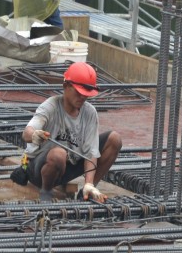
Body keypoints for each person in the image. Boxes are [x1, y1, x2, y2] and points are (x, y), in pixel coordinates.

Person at [20, 62, 122, 202]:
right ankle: (46, 191)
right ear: (66, 86)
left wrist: (89, 183)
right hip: (38, 169)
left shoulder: (89, 112)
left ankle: (87, 191)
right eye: (79, 93)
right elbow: (27, 132)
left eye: (86, 94)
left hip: (68, 164)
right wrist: (34, 135)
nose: (82, 98)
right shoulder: (51, 106)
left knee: (114, 139)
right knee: (59, 153)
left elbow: (91, 152)